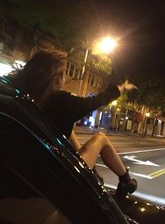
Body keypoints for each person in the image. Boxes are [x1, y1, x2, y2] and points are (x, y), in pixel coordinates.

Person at [9, 49, 137, 196]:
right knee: (101, 138)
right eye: (64, 73)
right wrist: (120, 89)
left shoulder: (19, 95)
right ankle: (126, 180)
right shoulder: (62, 102)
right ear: (57, 78)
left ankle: (92, 174)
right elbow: (96, 101)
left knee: (69, 131)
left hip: (23, 173)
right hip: (53, 180)